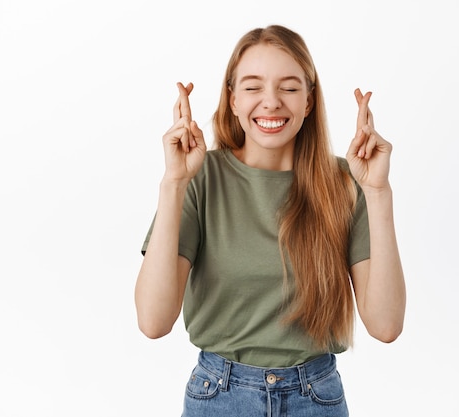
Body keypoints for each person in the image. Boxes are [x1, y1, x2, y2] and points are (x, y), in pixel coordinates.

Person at [135, 24, 406, 417]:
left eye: (290, 88)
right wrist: (173, 183)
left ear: (309, 101)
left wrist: (378, 194)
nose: (271, 102)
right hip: (220, 395)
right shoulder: (200, 179)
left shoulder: (348, 182)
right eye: (252, 86)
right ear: (231, 99)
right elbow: (153, 321)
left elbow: (386, 326)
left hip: (317, 397)